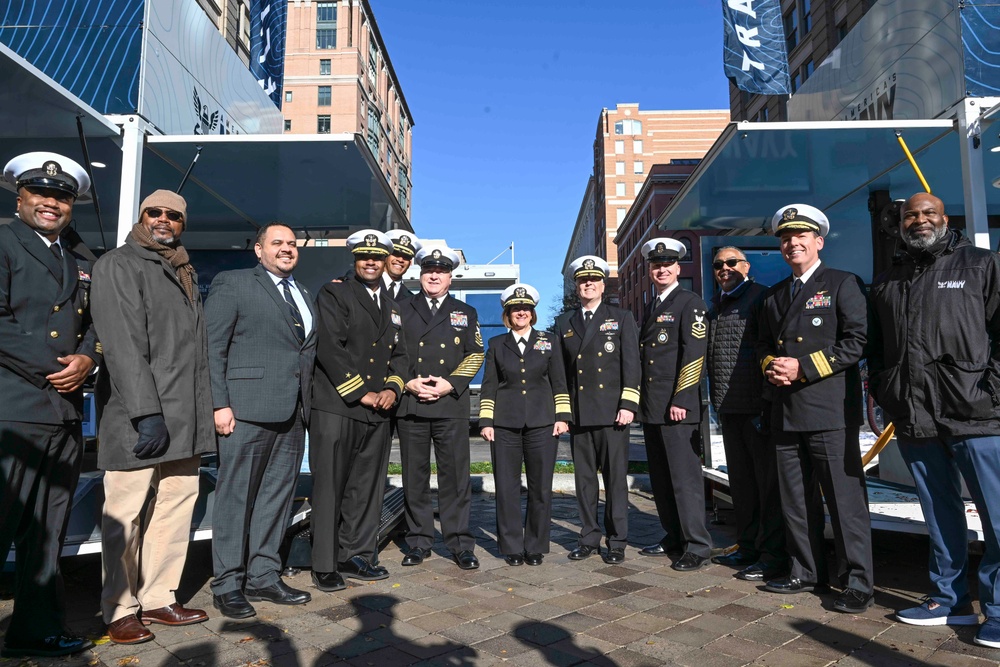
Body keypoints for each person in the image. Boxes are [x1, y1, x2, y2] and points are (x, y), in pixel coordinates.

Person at [869, 193, 1000, 644]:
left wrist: (993, 389)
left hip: (977, 415)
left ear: (945, 219)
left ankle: (999, 609)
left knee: (997, 514)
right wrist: (885, 391)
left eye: (928, 214)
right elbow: (877, 349)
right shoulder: (888, 279)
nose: (919, 220)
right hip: (915, 416)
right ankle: (950, 600)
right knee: (939, 513)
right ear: (900, 223)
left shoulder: (980, 265)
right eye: (911, 215)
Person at [91, 190, 214, 643]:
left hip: (186, 418)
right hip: (138, 417)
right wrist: (147, 414)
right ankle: (120, 608)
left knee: (176, 507)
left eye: (174, 215)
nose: (164, 220)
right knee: (125, 514)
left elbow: (192, 354)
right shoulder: (118, 263)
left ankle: (159, 597)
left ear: (183, 223)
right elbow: (122, 346)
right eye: (155, 212)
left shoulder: (181, 268)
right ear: (142, 217)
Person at [0, 152, 99, 658]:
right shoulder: (3, 240)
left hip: (62, 413)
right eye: (41, 193)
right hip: (13, 409)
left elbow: (95, 322)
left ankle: (35, 630)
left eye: (61, 197)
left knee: (47, 531)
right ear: (20, 197)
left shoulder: (78, 257)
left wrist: (85, 360)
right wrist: (55, 366)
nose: (51, 203)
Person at [756, 204, 873, 613]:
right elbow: (762, 347)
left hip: (829, 411)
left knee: (844, 501)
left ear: (818, 241)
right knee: (795, 499)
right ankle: (806, 570)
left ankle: (858, 582)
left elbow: (857, 342)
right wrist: (772, 366)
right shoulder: (772, 296)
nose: (793, 243)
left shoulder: (842, 284)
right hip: (785, 411)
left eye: (801, 236)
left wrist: (802, 368)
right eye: (786, 238)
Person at [205, 222, 316, 619]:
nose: (286, 249)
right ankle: (227, 583)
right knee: (236, 499)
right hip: (245, 411)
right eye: (277, 243)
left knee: (276, 498)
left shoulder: (303, 292)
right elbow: (212, 347)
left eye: (291, 244)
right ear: (258, 249)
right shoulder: (233, 283)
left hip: (293, 414)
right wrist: (219, 404)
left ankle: (264, 574)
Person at [310, 229, 406, 590]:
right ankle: (324, 563)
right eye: (364, 256)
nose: (370, 262)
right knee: (330, 486)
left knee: (366, 488)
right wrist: (363, 392)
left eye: (377, 257)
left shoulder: (393, 307)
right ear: (355, 259)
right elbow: (329, 348)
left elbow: (401, 356)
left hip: (379, 410)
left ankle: (356, 554)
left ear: (385, 261)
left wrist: (393, 390)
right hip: (339, 406)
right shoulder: (334, 293)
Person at [396, 245, 485, 570]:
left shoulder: (466, 311)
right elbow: (392, 351)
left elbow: (475, 353)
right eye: (429, 270)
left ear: (450, 276)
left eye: (441, 271)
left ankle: (460, 543)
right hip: (411, 403)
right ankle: (418, 541)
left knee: (455, 478)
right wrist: (407, 381)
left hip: (450, 404)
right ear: (420, 275)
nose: (434, 275)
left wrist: (451, 383)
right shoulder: (400, 308)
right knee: (414, 477)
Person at [553, 255, 640, 564]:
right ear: (576, 287)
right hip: (579, 414)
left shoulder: (621, 317)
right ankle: (589, 537)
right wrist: (562, 413)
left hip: (613, 414)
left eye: (593, 279)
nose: (587, 283)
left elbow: (632, 364)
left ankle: (617, 541)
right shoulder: (564, 322)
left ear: (603, 284)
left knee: (615, 480)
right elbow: (560, 372)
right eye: (582, 280)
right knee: (585, 480)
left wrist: (628, 404)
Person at [707, 247, 787, 581]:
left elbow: (772, 351)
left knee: (766, 487)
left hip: (756, 409)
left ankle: (772, 555)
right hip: (730, 409)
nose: (725, 269)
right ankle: (749, 546)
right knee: (742, 485)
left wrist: (766, 405)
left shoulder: (761, 298)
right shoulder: (717, 307)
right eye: (718, 265)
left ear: (746, 267)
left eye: (731, 263)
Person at [479, 284, 571, 566]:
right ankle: (511, 547)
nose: (521, 313)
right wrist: (486, 421)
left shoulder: (549, 341)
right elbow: (490, 384)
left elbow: (559, 381)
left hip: (543, 423)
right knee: (506, 488)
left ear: (533, 313)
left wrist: (562, 417)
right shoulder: (496, 344)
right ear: (508, 314)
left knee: (540, 487)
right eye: (515, 309)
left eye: (526, 309)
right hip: (504, 425)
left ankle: (535, 546)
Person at [636, 239, 712, 571]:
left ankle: (697, 544)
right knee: (663, 478)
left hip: (677, 407)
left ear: (678, 268)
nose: (661, 270)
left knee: (684, 479)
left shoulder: (689, 302)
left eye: (667, 265)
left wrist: (682, 397)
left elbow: (695, 354)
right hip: (654, 406)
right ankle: (673, 535)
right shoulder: (653, 306)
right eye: (656, 266)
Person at [383, 230, 421, 301]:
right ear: (386, 256)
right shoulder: (367, 285)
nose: (400, 260)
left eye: (406, 256)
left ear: (410, 263)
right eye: (396, 254)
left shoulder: (411, 299)